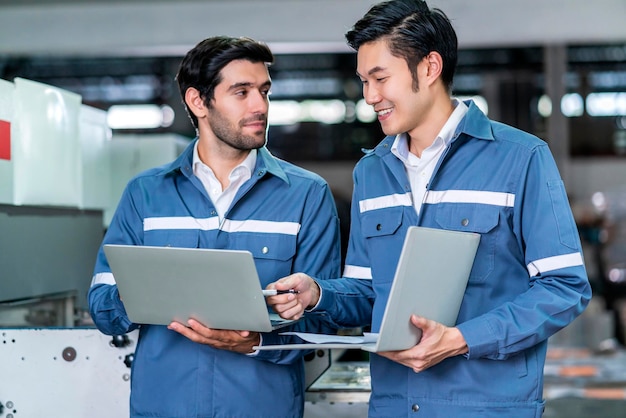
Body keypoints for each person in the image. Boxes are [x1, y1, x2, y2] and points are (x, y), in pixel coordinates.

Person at [266, 1, 592, 416]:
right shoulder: (372, 171)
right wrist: (318, 293)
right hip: (394, 407)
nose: (370, 96)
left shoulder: (521, 158)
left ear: (429, 68)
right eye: (364, 81)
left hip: (487, 408)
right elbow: (370, 294)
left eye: (380, 78)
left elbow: (564, 288)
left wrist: (463, 338)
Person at [88, 36, 342, 418]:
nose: (260, 106)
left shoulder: (307, 195)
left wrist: (255, 341)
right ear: (197, 101)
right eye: (241, 92)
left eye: (264, 91)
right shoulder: (145, 195)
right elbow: (101, 306)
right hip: (163, 409)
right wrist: (144, 288)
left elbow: (324, 324)